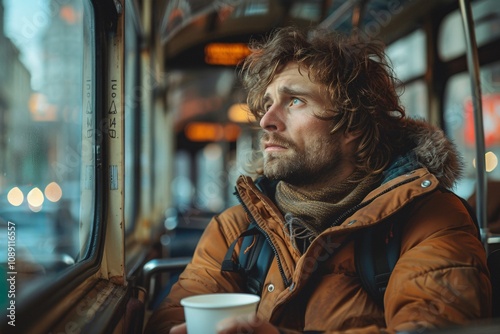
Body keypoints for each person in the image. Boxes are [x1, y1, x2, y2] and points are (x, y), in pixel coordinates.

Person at [145, 26, 492, 334]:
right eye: (267, 103)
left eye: (294, 100)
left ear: (353, 125)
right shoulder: (236, 229)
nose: (266, 120)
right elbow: (175, 313)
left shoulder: (431, 221)